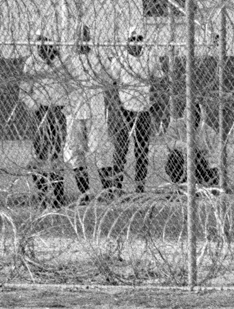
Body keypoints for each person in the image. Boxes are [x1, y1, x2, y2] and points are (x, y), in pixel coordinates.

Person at [62, 25, 118, 202]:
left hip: (95, 108)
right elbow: (60, 82)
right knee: (74, 150)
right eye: (79, 36)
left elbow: (111, 77)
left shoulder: (98, 56)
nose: (82, 40)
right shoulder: (68, 58)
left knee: (101, 149)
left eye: (85, 36)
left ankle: (108, 191)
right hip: (74, 109)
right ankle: (85, 192)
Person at [20, 32, 69, 208]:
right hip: (40, 111)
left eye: (47, 44)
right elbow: (24, 91)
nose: (44, 48)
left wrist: (64, 106)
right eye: (40, 45)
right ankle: (41, 193)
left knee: (56, 154)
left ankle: (57, 195)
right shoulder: (31, 63)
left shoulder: (61, 62)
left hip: (57, 111)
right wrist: (35, 106)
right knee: (40, 153)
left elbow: (67, 86)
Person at [109, 28, 161, 194]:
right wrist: (116, 104)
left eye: (140, 38)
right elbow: (113, 82)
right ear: (127, 41)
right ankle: (116, 187)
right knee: (121, 149)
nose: (137, 42)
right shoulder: (120, 59)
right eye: (133, 39)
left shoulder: (150, 58)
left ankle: (140, 187)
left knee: (141, 151)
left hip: (143, 109)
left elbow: (159, 78)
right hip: (125, 109)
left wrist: (155, 99)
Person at [162, 103, 220, 186]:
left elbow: (214, 153)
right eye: (188, 116)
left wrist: (212, 167)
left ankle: (197, 184)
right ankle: (182, 184)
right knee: (176, 156)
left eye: (194, 116)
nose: (191, 119)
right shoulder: (175, 125)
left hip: (200, 163)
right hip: (180, 159)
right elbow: (170, 142)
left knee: (212, 173)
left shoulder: (208, 131)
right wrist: (187, 147)